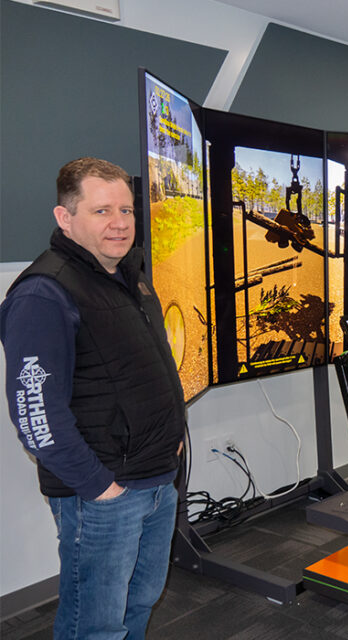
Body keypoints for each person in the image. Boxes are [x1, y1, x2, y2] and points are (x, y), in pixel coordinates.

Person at [1, 158, 186, 639]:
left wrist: (173, 439)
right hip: (103, 495)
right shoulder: (44, 293)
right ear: (65, 218)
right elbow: (35, 412)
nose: (120, 223)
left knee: (139, 604)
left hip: (156, 477)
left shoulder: (131, 276)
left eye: (126, 209)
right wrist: (100, 489)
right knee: (96, 626)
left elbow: (146, 367)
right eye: (102, 211)